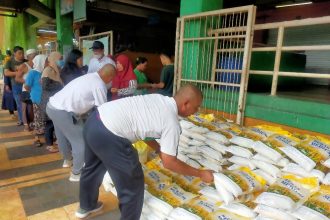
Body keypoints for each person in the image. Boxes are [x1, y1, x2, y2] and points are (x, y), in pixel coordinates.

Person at [75, 84, 214, 219]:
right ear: (186, 103)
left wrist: (159, 148)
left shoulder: (158, 99)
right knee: (132, 186)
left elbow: (144, 128)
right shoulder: (171, 122)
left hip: (95, 120)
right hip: (110, 134)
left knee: (92, 168)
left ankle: (87, 206)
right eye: (196, 107)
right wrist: (200, 173)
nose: (196, 111)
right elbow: (169, 162)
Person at [46, 63, 117, 182]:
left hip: (52, 106)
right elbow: (102, 109)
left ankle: (67, 160)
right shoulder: (99, 85)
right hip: (63, 112)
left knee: (62, 136)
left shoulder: (90, 76)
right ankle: (76, 173)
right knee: (81, 141)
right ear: (110, 77)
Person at [40, 52, 64, 153]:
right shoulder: (48, 70)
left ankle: (56, 142)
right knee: (49, 124)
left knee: (55, 123)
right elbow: (45, 86)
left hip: (54, 101)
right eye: (60, 58)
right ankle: (49, 145)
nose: (61, 60)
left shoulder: (56, 70)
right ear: (54, 59)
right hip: (48, 101)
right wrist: (59, 86)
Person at [25, 54, 48, 147]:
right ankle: (37, 138)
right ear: (41, 62)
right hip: (37, 99)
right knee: (38, 119)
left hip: (46, 99)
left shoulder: (46, 71)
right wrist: (33, 93)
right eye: (46, 61)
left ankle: (48, 136)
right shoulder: (33, 73)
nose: (47, 63)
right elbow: (27, 86)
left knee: (46, 119)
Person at [15, 49, 38, 131]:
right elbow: (17, 78)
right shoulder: (24, 66)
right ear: (28, 57)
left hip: (36, 90)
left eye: (36, 55)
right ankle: (26, 125)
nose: (35, 57)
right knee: (25, 109)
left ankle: (33, 123)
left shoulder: (38, 65)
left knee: (32, 109)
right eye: (33, 56)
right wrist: (28, 82)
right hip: (26, 89)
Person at [4, 46, 25, 125]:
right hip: (16, 86)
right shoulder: (10, 62)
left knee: (28, 103)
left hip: (27, 85)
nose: (22, 55)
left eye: (23, 53)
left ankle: (28, 119)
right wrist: (18, 73)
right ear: (14, 53)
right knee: (19, 104)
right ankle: (21, 120)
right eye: (19, 53)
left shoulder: (26, 61)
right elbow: (6, 73)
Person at [1, 50, 16, 117]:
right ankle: (11, 112)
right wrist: (6, 84)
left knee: (14, 98)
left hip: (15, 83)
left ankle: (14, 111)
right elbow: (6, 74)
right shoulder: (8, 63)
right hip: (9, 83)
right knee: (10, 98)